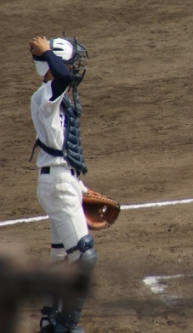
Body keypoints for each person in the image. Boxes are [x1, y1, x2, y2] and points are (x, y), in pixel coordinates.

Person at [29, 36, 96, 333]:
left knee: (60, 257)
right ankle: (66, 326)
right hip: (57, 185)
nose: (73, 69)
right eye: (69, 63)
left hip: (61, 181)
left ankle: (49, 321)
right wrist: (46, 52)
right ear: (53, 66)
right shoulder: (45, 95)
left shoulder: (54, 98)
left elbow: (62, 151)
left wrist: (80, 188)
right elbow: (63, 77)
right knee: (84, 258)